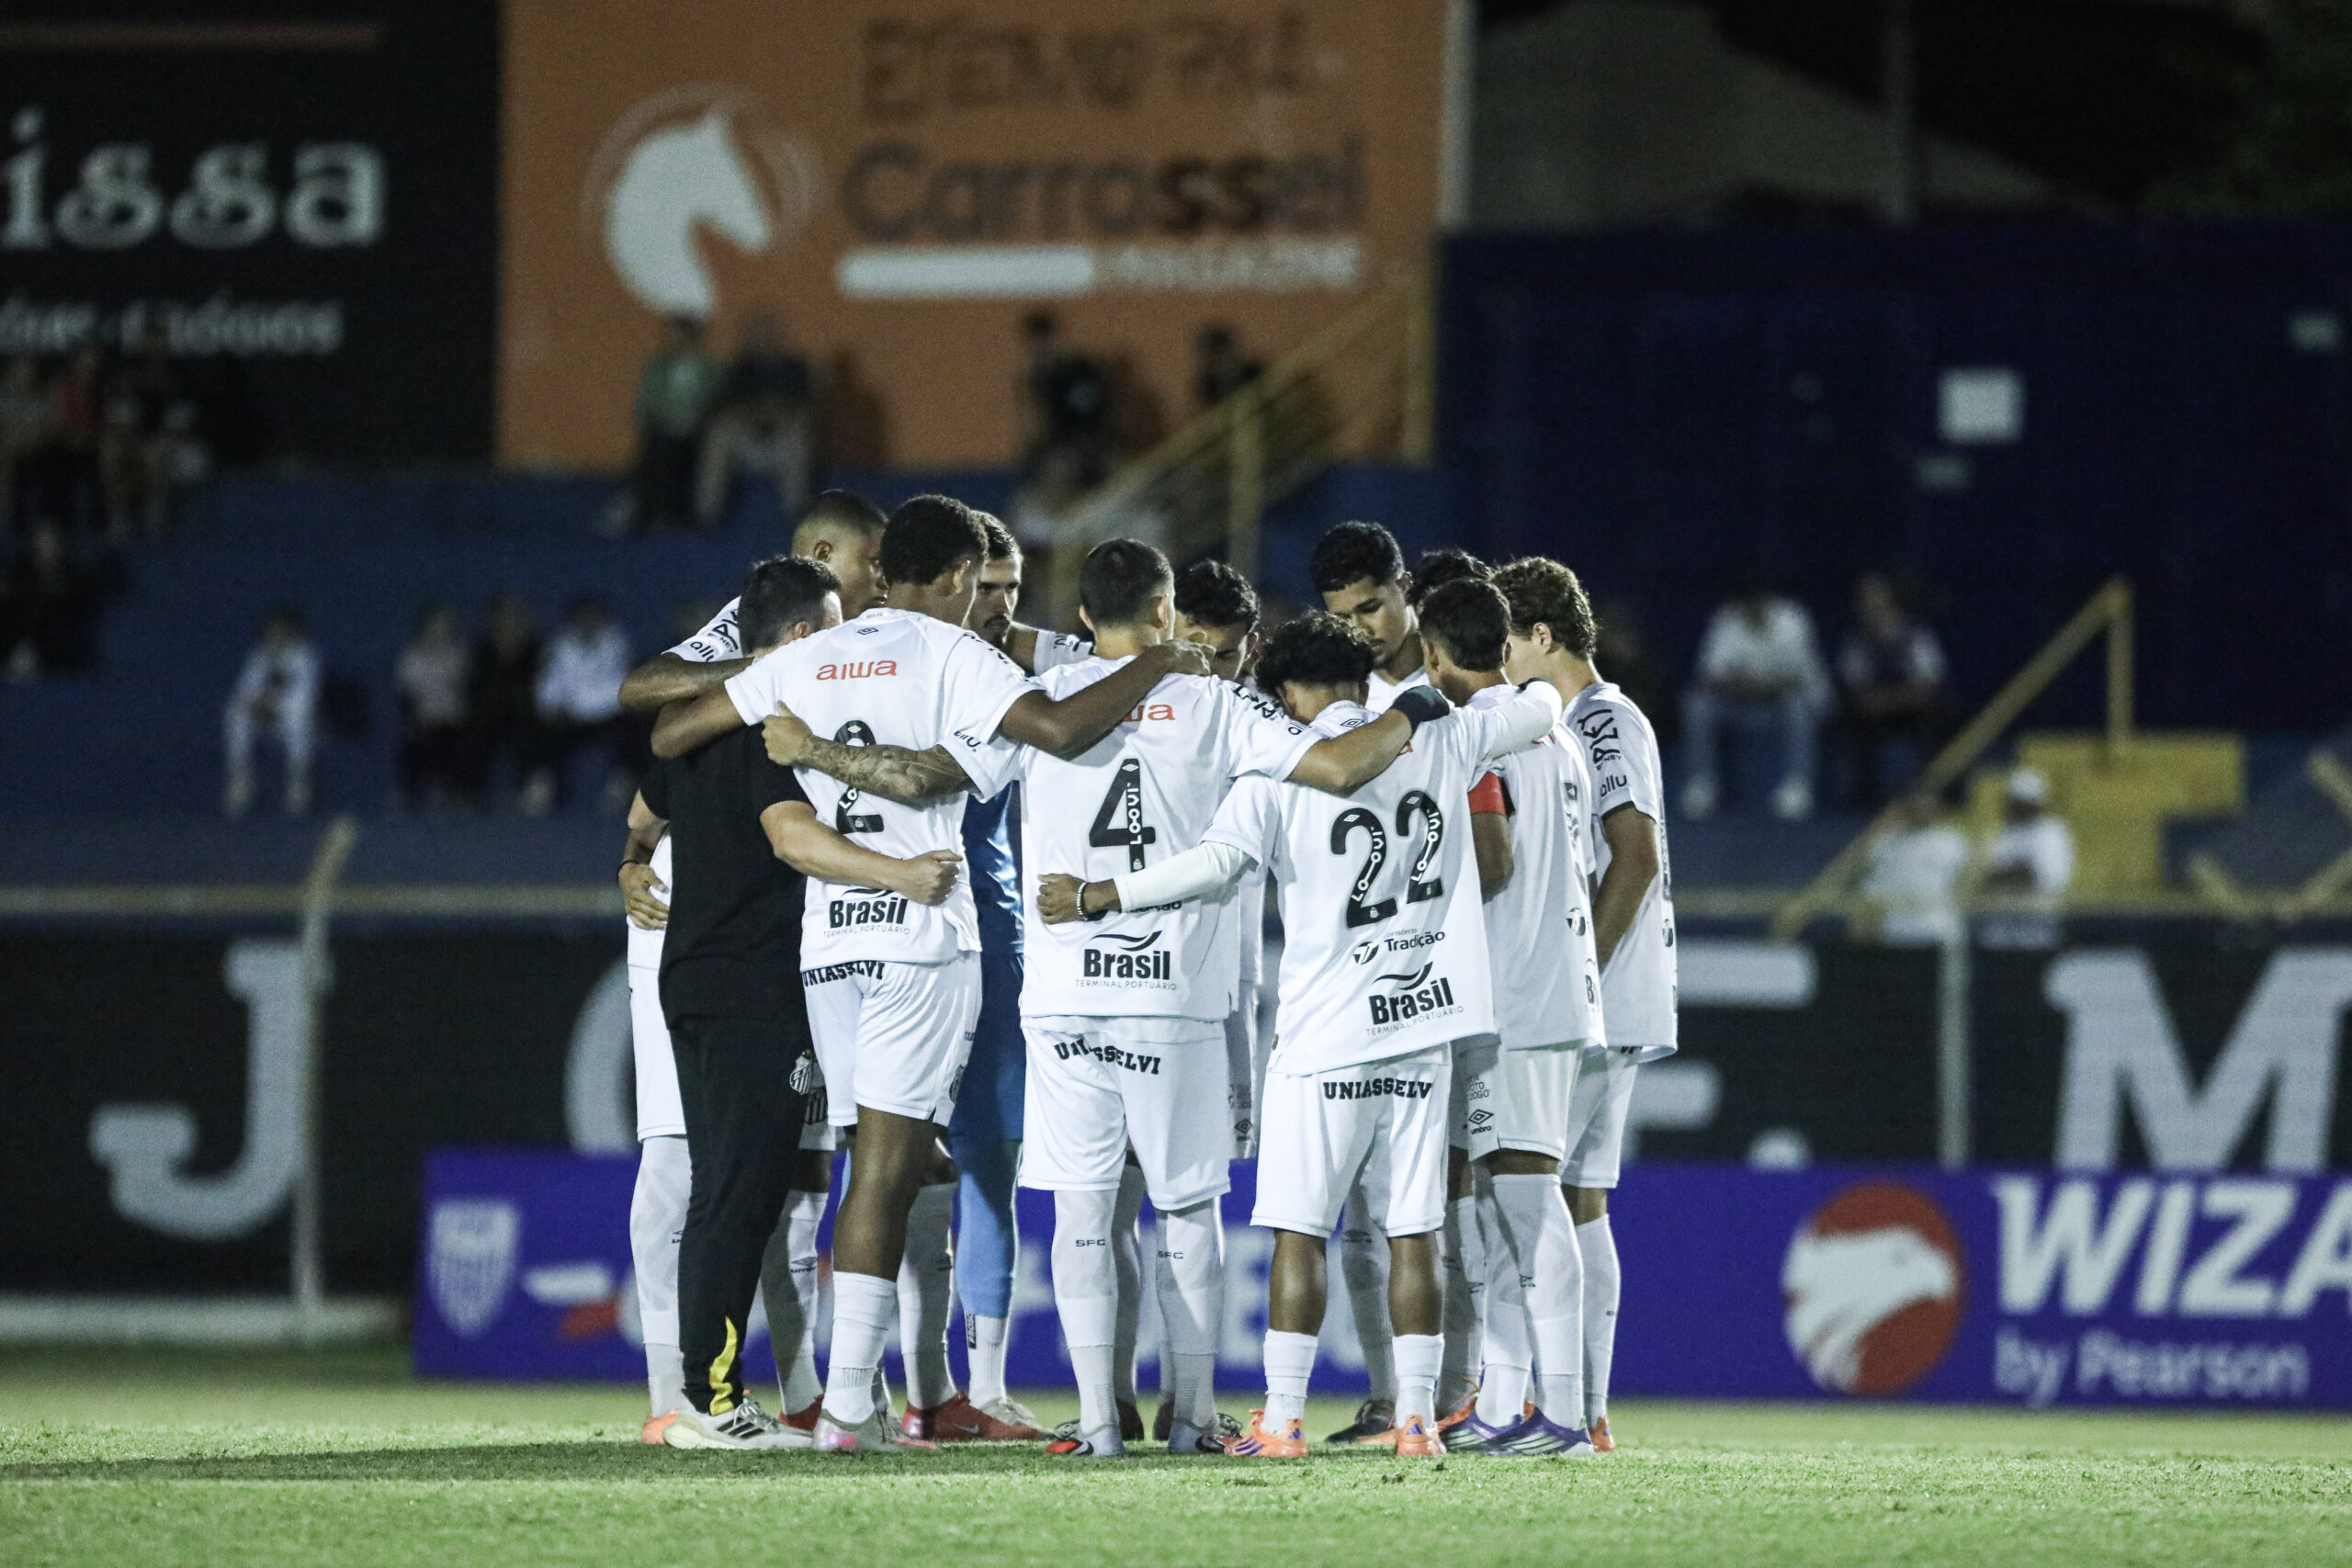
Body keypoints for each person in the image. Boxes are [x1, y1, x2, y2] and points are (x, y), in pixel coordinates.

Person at [650, 494, 1219, 1453]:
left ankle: (857, 1401)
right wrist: (1157, 660)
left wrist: (781, 709)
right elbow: (1061, 729)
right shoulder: (959, 656)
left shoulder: (808, 655)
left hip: (829, 940)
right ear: (958, 578)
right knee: (887, 1168)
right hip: (919, 929)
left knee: (868, 1166)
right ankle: (844, 1412)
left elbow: (669, 736)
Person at [1038, 612, 1566, 1461]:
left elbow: (1212, 866)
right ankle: (1419, 1421)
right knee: (1413, 1231)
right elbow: (1541, 709)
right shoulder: (1444, 733)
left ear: (1285, 694)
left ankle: (1282, 1419)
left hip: (1324, 1038)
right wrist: (1494, 682)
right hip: (1423, 1027)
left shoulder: (1277, 765)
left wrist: (1103, 895)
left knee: (1298, 1229)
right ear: (1361, 679)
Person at [950, 540, 1421, 1459]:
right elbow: (1331, 769)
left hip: (1063, 995)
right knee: (1186, 1211)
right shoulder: (1220, 703)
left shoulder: (1038, 704)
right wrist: (1428, 713)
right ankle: (1195, 1417)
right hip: (1174, 996)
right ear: (1167, 611)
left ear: (1085, 616)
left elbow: (946, 778)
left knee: (1084, 1212)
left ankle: (1095, 1425)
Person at [621, 557, 963, 1450]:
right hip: (751, 985)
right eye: (837, 623)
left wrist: (628, 865)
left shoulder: (699, 724)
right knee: (740, 1196)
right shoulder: (767, 726)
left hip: (694, 975)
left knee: (719, 1192)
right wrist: (899, 873)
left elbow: (642, 812)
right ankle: (712, 1400)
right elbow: (792, 835)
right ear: (807, 637)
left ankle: (699, 1395)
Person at [1417, 576, 1605, 1457]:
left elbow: (1490, 862)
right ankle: (1506, 1403)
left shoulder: (1483, 740)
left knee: (1528, 1200)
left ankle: (1562, 1412)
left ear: (1434, 651)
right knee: (1501, 1207)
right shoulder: (1553, 732)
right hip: (1541, 987)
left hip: (1519, 995)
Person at [1494, 555, 1678, 1456]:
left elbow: (1632, 855)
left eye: (1506, 641)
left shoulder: (1602, 720)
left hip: (1593, 998)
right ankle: (1585, 1410)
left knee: (1536, 1190)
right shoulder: (1586, 721)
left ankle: (1552, 1406)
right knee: (1578, 1197)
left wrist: (1579, 975)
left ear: (1541, 637)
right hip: (1605, 997)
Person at [1308, 519, 1435, 1444]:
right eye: (1343, 616)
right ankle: (1390, 1398)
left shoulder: (1451, 691)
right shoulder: (1334, 707)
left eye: (1373, 606)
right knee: (1361, 1215)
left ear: (1404, 588)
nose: (1364, 627)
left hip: (1437, 987)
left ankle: (1466, 1393)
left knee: (1432, 1210)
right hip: (1349, 988)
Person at [616, 491, 889, 714]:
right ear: (822, 554)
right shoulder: (762, 611)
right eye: (875, 564)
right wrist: (774, 666)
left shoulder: (893, 622)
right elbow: (640, 687)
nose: (885, 581)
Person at [1680, 579, 1830, 821]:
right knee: (1697, 704)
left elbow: (1800, 678)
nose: (1750, 610)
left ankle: (1797, 787)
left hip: (1783, 707)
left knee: (1799, 705)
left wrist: (1765, 685)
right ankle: (1703, 785)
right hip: (1742, 705)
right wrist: (1744, 686)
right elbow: (1708, 674)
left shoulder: (1791, 618)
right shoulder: (1728, 618)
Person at [1837, 572, 1949, 808]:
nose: (1869, 603)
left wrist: (1889, 699)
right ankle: (1865, 795)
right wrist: (1885, 700)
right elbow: (1857, 691)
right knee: (1852, 720)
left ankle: (1940, 789)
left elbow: (1927, 686)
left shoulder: (1917, 636)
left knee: (1941, 714)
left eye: (1874, 596)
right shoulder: (1855, 642)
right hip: (1873, 716)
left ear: (1889, 599)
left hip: (1913, 712)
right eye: (1864, 598)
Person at [697, 309, 818, 526]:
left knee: (796, 431)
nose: (764, 339)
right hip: (745, 445)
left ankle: (796, 509)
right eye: (758, 334)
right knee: (720, 433)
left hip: (782, 444)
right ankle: (706, 514)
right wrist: (761, 412)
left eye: (769, 334)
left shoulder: (795, 369)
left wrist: (776, 414)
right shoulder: (738, 371)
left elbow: (806, 409)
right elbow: (724, 410)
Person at [529, 596, 635, 816]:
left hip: (608, 717)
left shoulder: (616, 644)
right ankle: (545, 786)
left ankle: (621, 788)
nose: (588, 622)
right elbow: (549, 685)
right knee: (543, 729)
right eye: (582, 618)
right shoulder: (558, 646)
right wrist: (555, 705)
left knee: (633, 729)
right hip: (568, 718)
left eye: (593, 617)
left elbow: (619, 686)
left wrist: (579, 703)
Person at [620, 315, 726, 532]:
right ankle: (649, 511)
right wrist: (666, 417)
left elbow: (718, 400)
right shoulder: (657, 367)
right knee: (659, 446)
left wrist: (693, 417)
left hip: (697, 430)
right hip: (664, 428)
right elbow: (646, 402)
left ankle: (674, 514)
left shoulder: (710, 368)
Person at [223, 604, 319, 818]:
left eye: (282, 629)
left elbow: (303, 695)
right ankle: (241, 779)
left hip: (291, 716)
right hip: (263, 714)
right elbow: (245, 689)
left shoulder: (305, 656)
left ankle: (300, 779)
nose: (277, 634)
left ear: (293, 631)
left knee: (299, 719)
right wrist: (253, 704)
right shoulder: (258, 657)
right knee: (236, 715)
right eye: (273, 629)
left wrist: (272, 706)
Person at [1, 517, 118, 682]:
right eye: (41, 540)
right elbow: (14, 617)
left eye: (51, 540)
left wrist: (39, 650)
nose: (46, 546)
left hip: (62, 655)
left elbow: (76, 620)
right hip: (19, 649)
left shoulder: (77, 579)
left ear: (61, 543)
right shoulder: (18, 577)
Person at [1857, 791, 1971, 946]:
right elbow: (1863, 881)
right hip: (1896, 931)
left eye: (1925, 806)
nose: (1920, 811)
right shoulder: (1886, 842)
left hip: (1937, 929)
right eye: (1914, 806)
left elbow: (1965, 883)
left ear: (1936, 809)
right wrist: (1884, 824)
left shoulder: (1951, 841)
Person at [1979, 766, 2074, 950]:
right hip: (1999, 932)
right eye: (2014, 801)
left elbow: (2050, 877)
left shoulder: (2053, 831)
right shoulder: (2000, 832)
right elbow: (1984, 879)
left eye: (2024, 802)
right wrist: (2013, 872)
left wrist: (2007, 874)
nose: (2017, 807)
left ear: (2037, 804)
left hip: (2040, 930)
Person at [467, 591, 544, 809]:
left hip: (526, 716)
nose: (508, 624)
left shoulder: (536, 650)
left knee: (535, 729)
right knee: (474, 731)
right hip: (490, 716)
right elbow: (475, 690)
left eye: (514, 618)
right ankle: (469, 794)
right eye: (502, 619)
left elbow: (543, 689)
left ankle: (535, 790)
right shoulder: (482, 652)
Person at [1020, 312, 1114, 488]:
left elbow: (1098, 411)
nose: (1041, 348)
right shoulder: (1037, 378)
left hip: (1088, 449)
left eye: (1044, 340)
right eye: (1035, 343)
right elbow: (1036, 420)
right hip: (1055, 451)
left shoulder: (1082, 370)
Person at [393, 600, 472, 809]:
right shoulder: (412, 656)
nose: (439, 629)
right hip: (423, 721)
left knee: (460, 742)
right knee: (416, 743)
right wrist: (414, 719)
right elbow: (405, 694)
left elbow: (467, 689)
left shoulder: (459, 655)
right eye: (434, 624)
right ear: (423, 626)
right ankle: (410, 793)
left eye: (444, 624)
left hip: (454, 720)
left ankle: (457, 792)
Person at [1194, 325, 1263, 411]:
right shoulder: (1207, 386)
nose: (1222, 358)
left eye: (1222, 351)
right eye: (1216, 354)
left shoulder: (1253, 371)